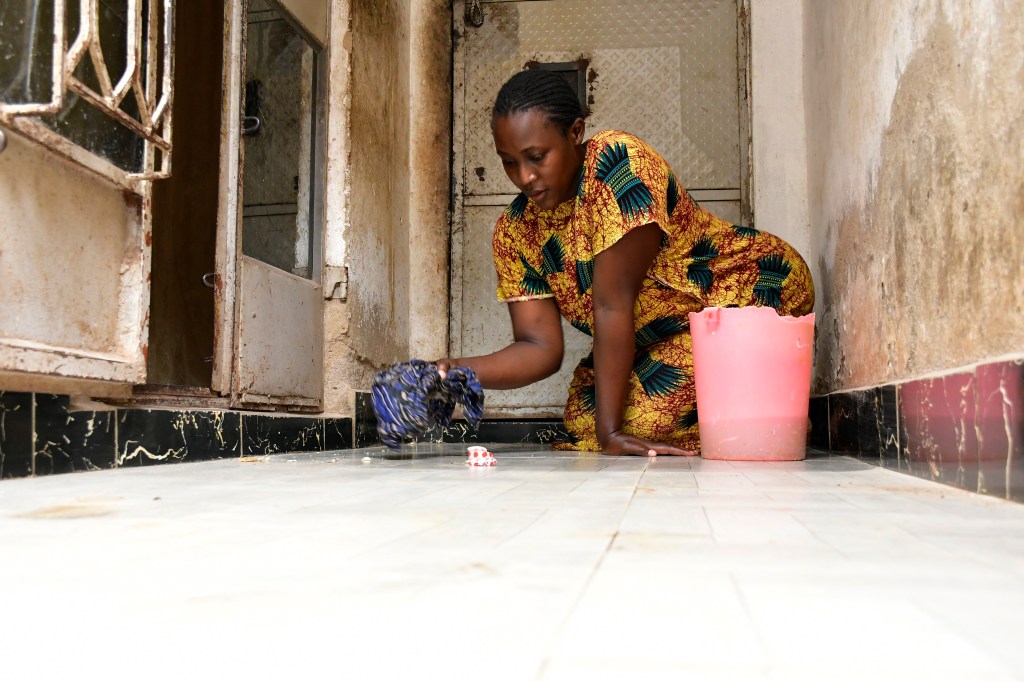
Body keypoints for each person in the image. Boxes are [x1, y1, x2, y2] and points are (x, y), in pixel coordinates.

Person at [436, 69, 814, 457]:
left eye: (536, 157)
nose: (525, 177)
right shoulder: (515, 232)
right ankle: (760, 406)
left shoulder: (619, 166)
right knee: (582, 420)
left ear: (575, 132)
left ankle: (769, 415)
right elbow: (539, 347)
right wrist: (449, 372)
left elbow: (611, 305)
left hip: (746, 293)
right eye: (509, 162)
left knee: (634, 422)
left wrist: (612, 433)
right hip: (663, 335)